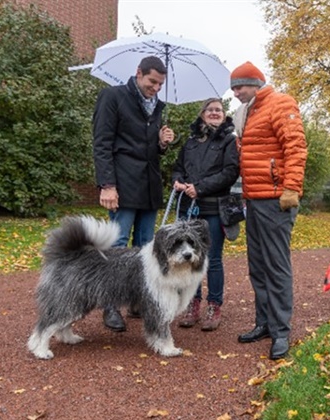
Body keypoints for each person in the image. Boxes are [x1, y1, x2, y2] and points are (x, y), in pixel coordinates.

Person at [230, 61, 307, 360]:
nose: (236, 92)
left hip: (276, 200)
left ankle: (281, 331)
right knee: (258, 266)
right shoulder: (248, 113)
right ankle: (263, 323)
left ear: (256, 83)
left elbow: (296, 146)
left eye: (241, 86)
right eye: (234, 87)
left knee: (276, 266)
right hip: (254, 199)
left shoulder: (279, 103)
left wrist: (291, 189)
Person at [93, 55, 175, 332]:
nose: (156, 88)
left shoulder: (157, 107)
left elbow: (149, 148)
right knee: (116, 247)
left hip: (149, 186)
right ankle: (110, 304)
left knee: (146, 248)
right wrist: (107, 185)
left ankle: (138, 299)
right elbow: (102, 143)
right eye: (152, 81)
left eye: (160, 84)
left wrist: (162, 145)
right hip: (122, 184)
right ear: (139, 73)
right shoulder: (113, 97)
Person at [172, 98, 240, 331]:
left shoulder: (230, 141)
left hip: (213, 207)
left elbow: (230, 172)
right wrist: (178, 182)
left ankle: (214, 305)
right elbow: (178, 167)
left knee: (212, 259)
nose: (214, 113)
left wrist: (200, 187)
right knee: (189, 259)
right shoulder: (190, 142)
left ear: (223, 115)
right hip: (187, 208)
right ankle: (192, 304)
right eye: (210, 110)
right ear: (202, 114)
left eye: (218, 110)